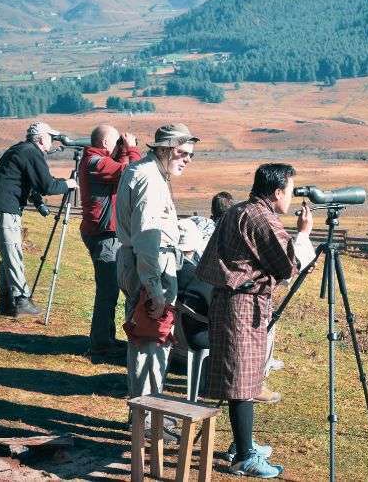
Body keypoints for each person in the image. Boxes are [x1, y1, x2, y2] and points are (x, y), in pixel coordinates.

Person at [196, 163, 313, 478]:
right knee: (240, 381)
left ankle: (242, 443)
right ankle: (244, 457)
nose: (292, 197)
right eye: (290, 191)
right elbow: (289, 267)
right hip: (241, 305)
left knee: (244, 376)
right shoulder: (261, 218)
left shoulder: (241, 210)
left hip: (236, 302)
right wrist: (303, 234)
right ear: (277, 193)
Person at [116, 123, 198, 403]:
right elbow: (147, 238)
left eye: (191, 155)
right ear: (167, 149)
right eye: (184, 153)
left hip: (146, 264)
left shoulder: (148, 172)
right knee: (150, 341)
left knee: (149, 340)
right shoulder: (149, 178)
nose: (188, 160)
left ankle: (148, 412)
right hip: (151, 267)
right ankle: (148, 417)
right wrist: (154, 290)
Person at [0, 121, 78, 317]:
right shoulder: (32, 152)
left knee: (8, 253)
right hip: (3, 207)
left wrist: (39, 203)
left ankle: (7, 303)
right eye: (51, 138)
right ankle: (21, 300)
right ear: (41, 138)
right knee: (13, 253)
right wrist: (69, 183)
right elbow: (47, 186)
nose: (53, 142)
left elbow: (27, 182)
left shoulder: (20, 149)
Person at [78, 124, 140, 355]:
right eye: (116, 143)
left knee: (110, 289)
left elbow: (119, 171)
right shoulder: (97, 163)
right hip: (104, 235)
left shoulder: (97, 161)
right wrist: (132, 149)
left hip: (102, 233)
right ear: (105, 143)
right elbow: (132, 173)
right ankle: (101, 343)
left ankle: (105, 339)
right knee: (107, 291)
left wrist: (123, 151)